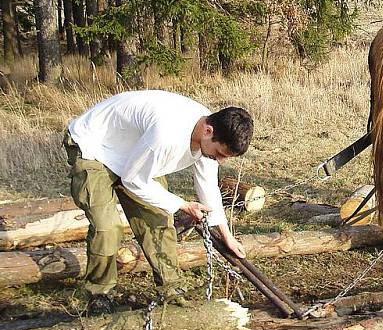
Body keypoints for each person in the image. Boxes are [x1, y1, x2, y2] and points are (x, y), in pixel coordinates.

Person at [63, 90, 253, 315]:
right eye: (220, 153)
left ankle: (171, 287)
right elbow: (133, 180)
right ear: (208, 131)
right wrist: (182, 204)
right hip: (94, 148)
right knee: (107, 227)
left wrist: (226, 235)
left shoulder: (209, 132)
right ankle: (97, 293)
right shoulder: (166, 136)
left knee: (159, 219)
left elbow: (208, 186)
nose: (220, 160)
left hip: (134, 153)